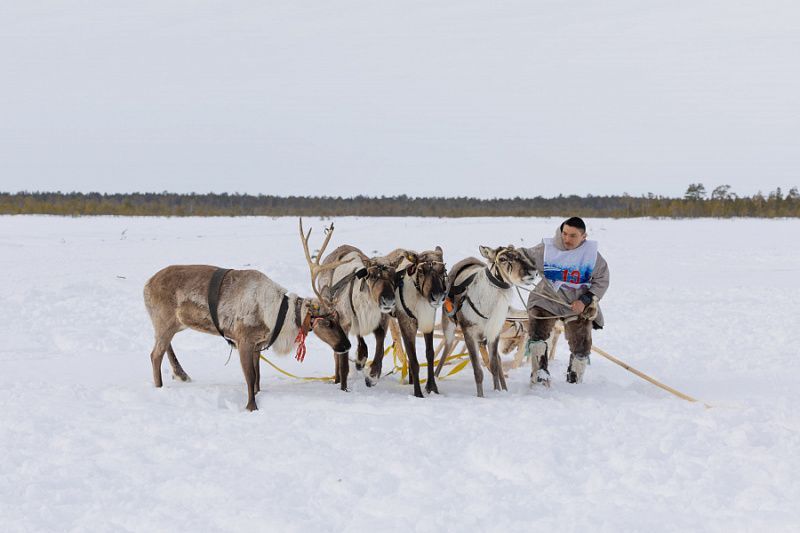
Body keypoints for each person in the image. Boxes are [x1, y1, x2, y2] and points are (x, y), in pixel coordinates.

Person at [523, 217, 610, 385]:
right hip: (547, 299)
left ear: (584, 236)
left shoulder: (592, 257)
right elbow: (524, 257)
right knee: (537, 334)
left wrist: (585, 301)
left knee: (582, 343)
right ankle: (539, 374)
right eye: (564, 233)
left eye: (573, 236)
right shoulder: (547, 249)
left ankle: (575, 377)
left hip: (575, 304)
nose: (567, 239)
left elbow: (602, 280)